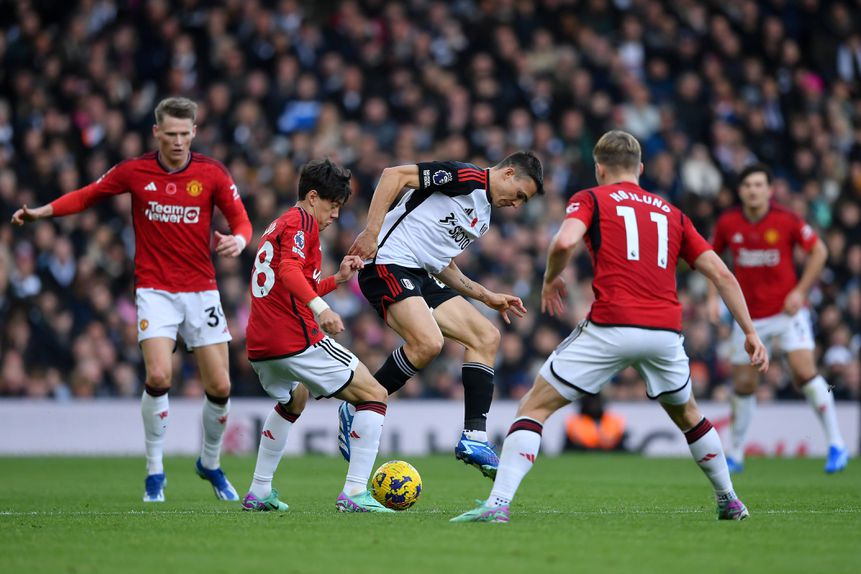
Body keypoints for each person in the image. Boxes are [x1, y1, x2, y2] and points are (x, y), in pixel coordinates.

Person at [451, 130, 769, 523]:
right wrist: (750, 332)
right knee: (690, 416)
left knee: (533, 407)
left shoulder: (591, 198)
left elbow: (564, 242)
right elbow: (722, 274)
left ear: (599, 169)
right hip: (665, 332)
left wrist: (550, 279)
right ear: (641, 168)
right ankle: (730, 499)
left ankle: (498, 505)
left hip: (612, 324)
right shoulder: (672, 214)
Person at [12, 97, 252, 502]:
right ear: (156, 132)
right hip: (154, 291)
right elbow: (88, 195)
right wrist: (41, 213)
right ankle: (154, 471)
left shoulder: (211, 173)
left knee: (221, 385)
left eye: (185, 133)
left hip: (201, 290)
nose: (178, 141)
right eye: (171, 134)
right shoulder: (135, 171)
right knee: (159, 376)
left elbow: (241, 220)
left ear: (194, 132)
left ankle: (210, 463)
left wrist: (239, 241)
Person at [339, 152, 544, 479]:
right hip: (388, 262)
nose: (517, 204)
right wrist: (371, 232)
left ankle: (474, 437)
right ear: (508, 173)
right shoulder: (465, 177)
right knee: (428, 342)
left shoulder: (484, 216)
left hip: (421, 273)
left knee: (486, 337)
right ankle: (358, 403)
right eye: (520, 194)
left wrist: (485, 295)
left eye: (524, 201)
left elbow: (441, 262)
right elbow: (394, 175)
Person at [242, 158, 392, 513]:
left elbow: (293, 283)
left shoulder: (280, 224)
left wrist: (337, 281)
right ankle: (355, 493)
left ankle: (259, 491)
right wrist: (321, 309)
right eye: (332, 205)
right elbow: (289, 271)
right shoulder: (302, 222)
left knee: (295, 399)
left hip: (261, 344)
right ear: (312, 197)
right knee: (375, 394)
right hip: (293, 338)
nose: (335, 214)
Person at [708, 164, 848, 474]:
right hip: (747, 318)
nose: (753, 190)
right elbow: (709, 259)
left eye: (759, 185)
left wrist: (800, 291)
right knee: (744, 383)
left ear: (770, 190)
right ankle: (737, 454)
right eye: (748, 185)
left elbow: (820, 251)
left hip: (787, 313)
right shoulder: (728, 222)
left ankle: (837, 443)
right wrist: (710, 298)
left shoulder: (786, 219)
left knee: (804, 372)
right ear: (740, 191)